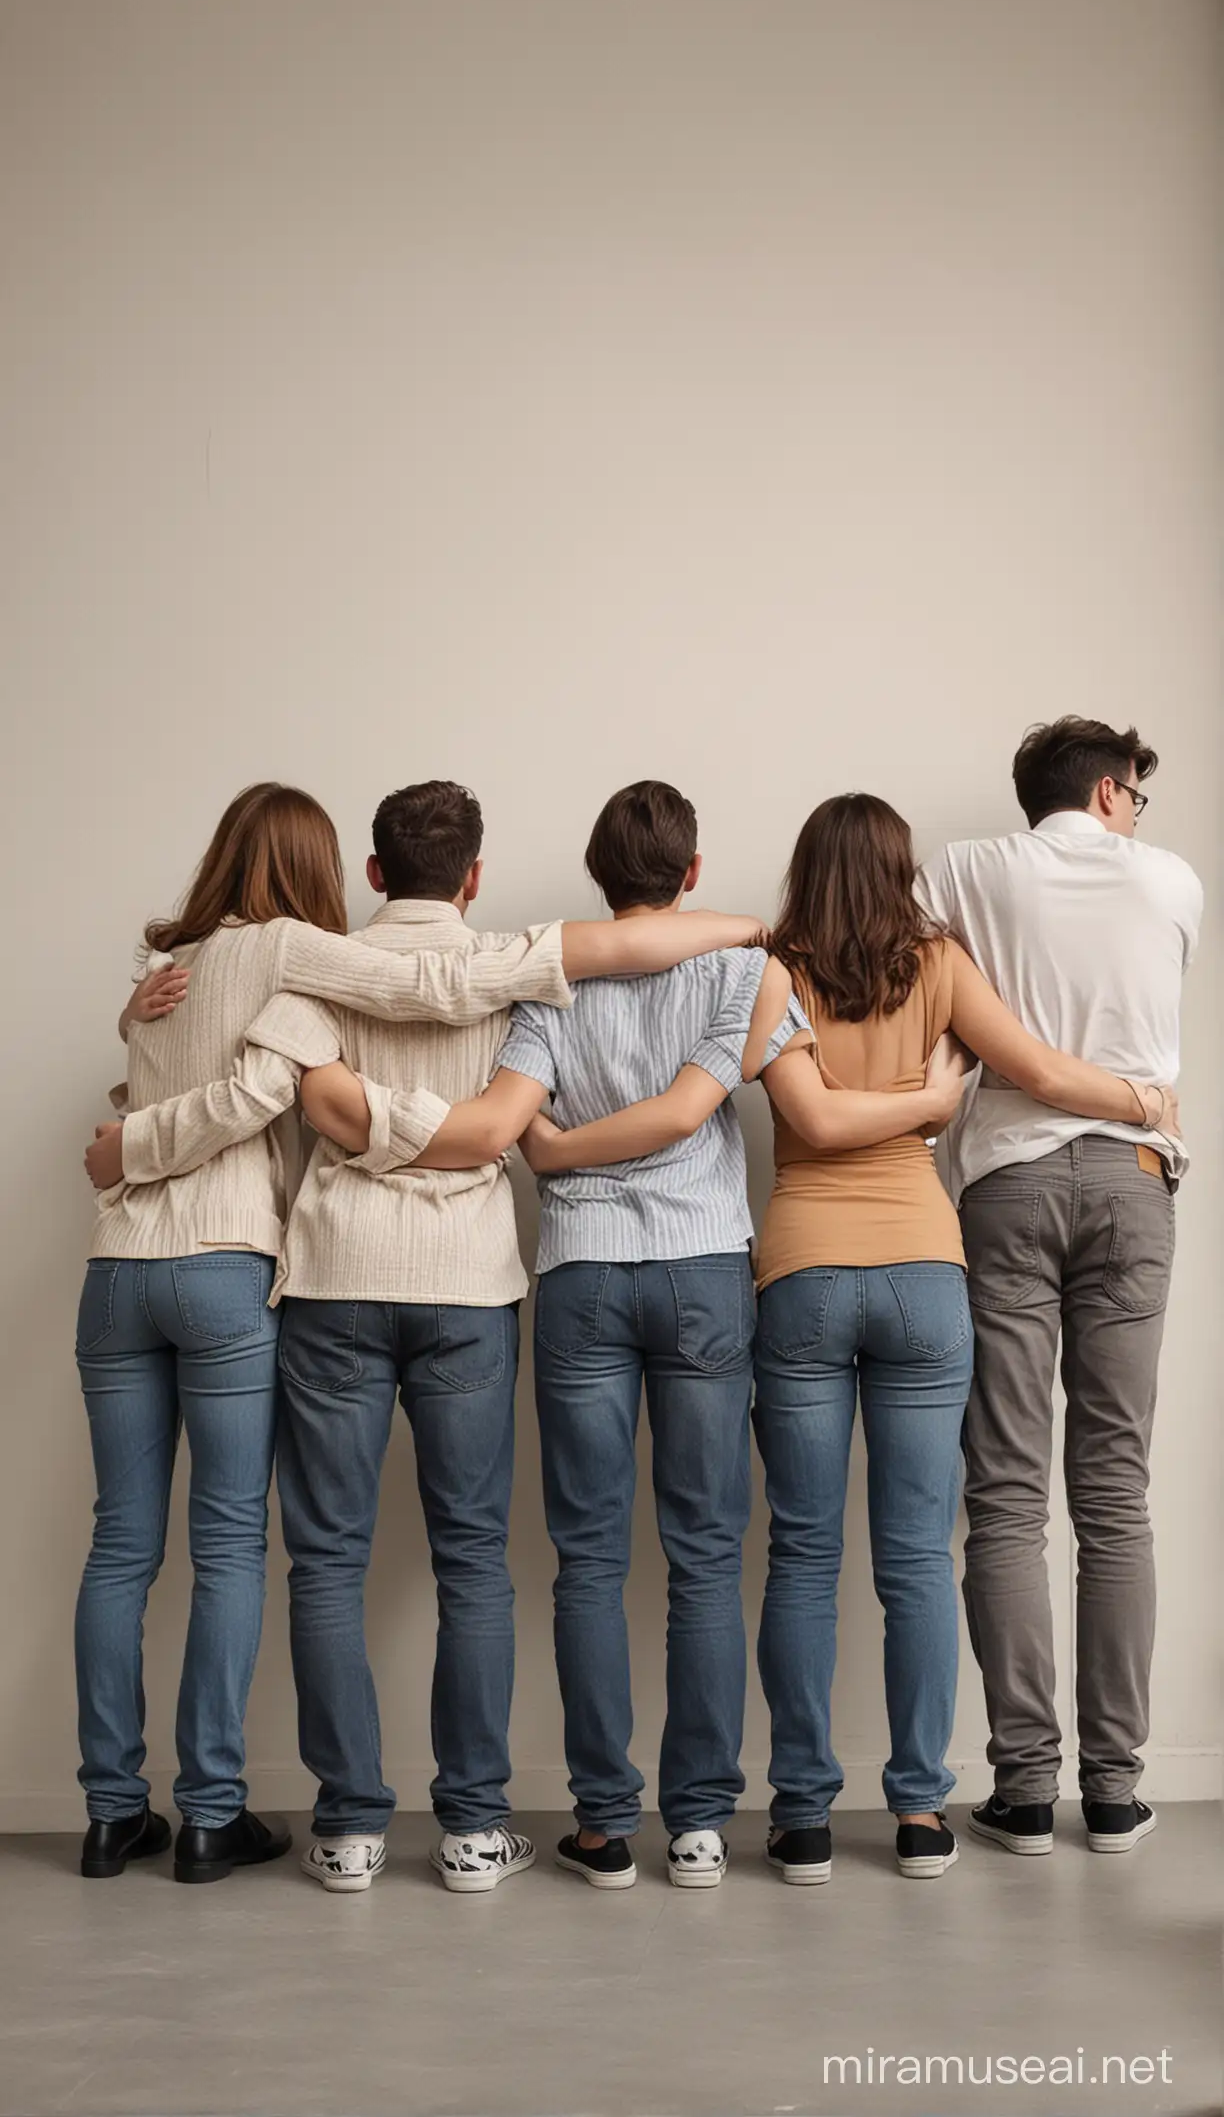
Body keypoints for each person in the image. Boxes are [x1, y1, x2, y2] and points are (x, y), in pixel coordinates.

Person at [78, 781, 757, 1887]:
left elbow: (324, 1110)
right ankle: (475, 1829)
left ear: (376, 875)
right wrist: (461, 1139)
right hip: (469, 1287)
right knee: (474, 1561)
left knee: (326, 1564)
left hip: (334, 1280)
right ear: (475, 876)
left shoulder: (308, 978)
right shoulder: (509, 973)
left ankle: (346, 1829)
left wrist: (375, 1133)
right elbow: (502, 1124)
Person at [304, 780, 972, 1891]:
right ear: (694, 874)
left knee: (589, 1560)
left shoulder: (552, 983)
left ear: (599, 873)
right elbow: (697, 1105)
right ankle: (702, 1825)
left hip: (579, 1273)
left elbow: (521, 1129)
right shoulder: (743, 971)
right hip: (706, 1268)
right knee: (707, 1555)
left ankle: (607, 1825)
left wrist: (562, 1157)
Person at [747, 793, 1177, 1884]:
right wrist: (1139, 1098)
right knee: (915, 1560)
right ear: (902, 870)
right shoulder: (936, 962)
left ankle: (801, 1819)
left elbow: (809, 1121)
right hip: (926, 1278)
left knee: (801, 1553)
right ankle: (922, 1816)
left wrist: (888, 1101)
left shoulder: (773, 970)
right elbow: (1032, 1068)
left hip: (799, 1269)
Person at [915, 717, 1201, 1857]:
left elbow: (910, 971)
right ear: (1106, 789)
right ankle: (1119, 1791)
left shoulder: (968, 870)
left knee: (1008, 1490)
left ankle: (1027, 1790)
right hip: (1134, 1177)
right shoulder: (1174, 882)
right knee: (1116, 1488)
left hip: (1010, 1180)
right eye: (1135, 792)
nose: (1140, 810)